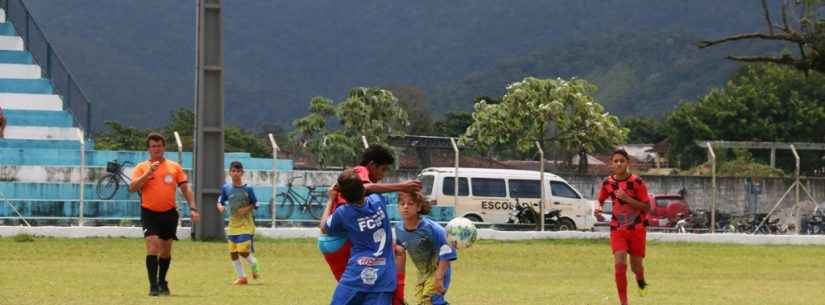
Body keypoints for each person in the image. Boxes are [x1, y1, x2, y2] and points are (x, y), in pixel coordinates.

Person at [318, 145, 421, 303]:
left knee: (398, 250)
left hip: (350, 257)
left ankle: (397, 298)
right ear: (372, 165)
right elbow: (369, 188)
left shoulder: (345, 210)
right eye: (384, 170)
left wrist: (331, 198)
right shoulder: (370, 190)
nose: (383, 175)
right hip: (339, 243)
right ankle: (398, 298)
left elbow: (324, 225)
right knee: (397, 252)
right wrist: (403, 186)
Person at [129, 132, 199, 297]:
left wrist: (193, 208)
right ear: (148, 149)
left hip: (169, 214)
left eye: (159, 145)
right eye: (153, 146)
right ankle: (153, 285)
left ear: (164, 147)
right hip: (149, 213)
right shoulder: (141, 167)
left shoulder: (174, 167)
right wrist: (148, 174)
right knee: (153, 246)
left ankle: (162, 281)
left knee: (166, 251)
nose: (156, 149)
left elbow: (185, 188)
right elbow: (132, 188)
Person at [321, 169, 397, 305]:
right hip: (384, 277)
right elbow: (373, 188)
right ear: (362, 189)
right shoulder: (378, 200)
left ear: (343, 195)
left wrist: (331, 199)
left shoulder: (343, 213)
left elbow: (324, 227)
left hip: (356, 274)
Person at [594, 149, 652, 305]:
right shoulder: (608, 183)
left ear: (628, 163)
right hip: (617, 229)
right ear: (611, 164)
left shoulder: (637, 182)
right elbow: (599, 199)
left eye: (622, 160)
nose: (619, 163)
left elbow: (647, 208)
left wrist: (627, 199)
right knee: (620, 265)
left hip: (637, 229)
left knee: (636, 267)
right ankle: (624, 302)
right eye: (615, 161)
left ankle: (641, 282)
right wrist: (598, 208)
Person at [395, 191, 457, 305]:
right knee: (423, 302)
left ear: (418, 207)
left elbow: (448, 249)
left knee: (429, 300)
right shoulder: (399, 228)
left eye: (410, 204)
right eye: (402, 203)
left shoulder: (431, 228)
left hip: (438, 269)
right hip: (423, 273)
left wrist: (439, 276)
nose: (405, 207)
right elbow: (399, 251)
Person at [216, 161, 261, 285]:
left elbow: (256, 204)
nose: (235, 174)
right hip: (233, 224)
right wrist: (219, 206)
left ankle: (254, 263)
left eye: (238, 171)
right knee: (233, 253)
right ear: (230, 173)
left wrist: (246, 209)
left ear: (242, 173)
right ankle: (242, 277)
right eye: (233, 171)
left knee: (242, 250)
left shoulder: (248, 189)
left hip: (246, 224)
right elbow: (220, 200)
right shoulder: (226, 188)